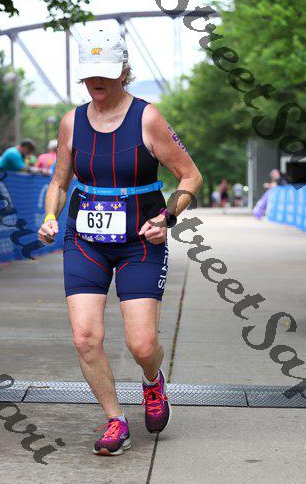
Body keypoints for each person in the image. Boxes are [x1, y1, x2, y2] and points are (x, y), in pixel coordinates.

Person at [38, 27, 203, 456]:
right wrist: (50, 216)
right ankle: (115, 420)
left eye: (107, 72)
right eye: (90, 72)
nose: (97, 80)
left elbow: (190, 176)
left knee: (142, 344)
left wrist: (167, 217)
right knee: (85, 337)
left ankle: (152, 381)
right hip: (85, 240)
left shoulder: (147, 118)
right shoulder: (71, 122)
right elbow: (59, 181)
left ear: (124, 72)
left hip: (139, 242)